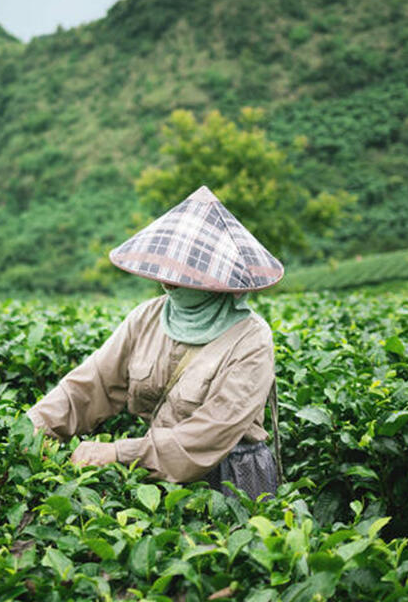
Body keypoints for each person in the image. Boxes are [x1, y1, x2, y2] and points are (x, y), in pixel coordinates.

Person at [26, 186, 285, 499]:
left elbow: (210, 433)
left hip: (229, 481)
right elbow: (92, 382)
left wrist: (118, 453)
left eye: (186, 275)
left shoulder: (251, 339)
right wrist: (33, 426)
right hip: (157, 472)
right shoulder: (148, 317)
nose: (170, 283)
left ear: (220, 283)